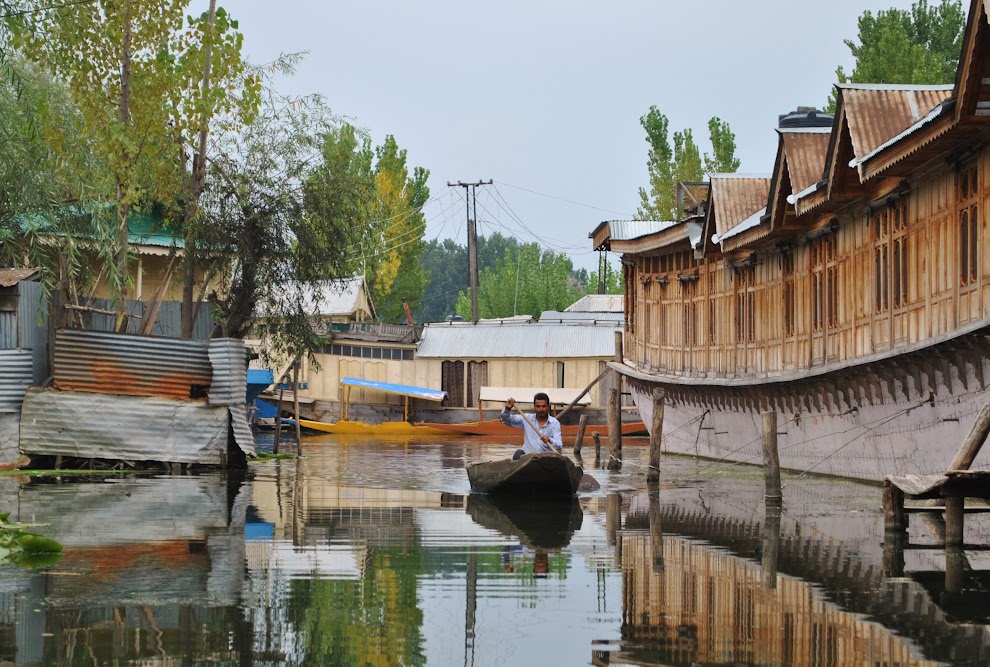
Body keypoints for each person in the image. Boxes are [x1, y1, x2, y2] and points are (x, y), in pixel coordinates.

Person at [501, 392, 563, 460]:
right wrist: (507, 409)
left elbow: (559, 445)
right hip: (528, 458)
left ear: (548, 407)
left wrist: (550, 440)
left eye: (543, 406)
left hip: (545, 460)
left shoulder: (554, 423)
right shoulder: (527, 419)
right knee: (518, 453)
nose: (541, 409)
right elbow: (506, 420)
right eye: (538, 406)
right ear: (534, 407)